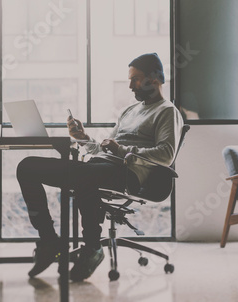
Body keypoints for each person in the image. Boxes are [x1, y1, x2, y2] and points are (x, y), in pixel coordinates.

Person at [16, 52, 184, 281]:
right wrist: (83, 138)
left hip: (129, 175)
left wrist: (122, 151)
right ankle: (48, 241)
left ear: (154, 79)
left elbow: (166, 154)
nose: (130, 86)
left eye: (135, 79)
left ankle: (93, 246)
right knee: (27, 167)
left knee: (87, 176)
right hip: (101, 168)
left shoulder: (167, 111)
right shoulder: (129, 112)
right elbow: (104, 149)